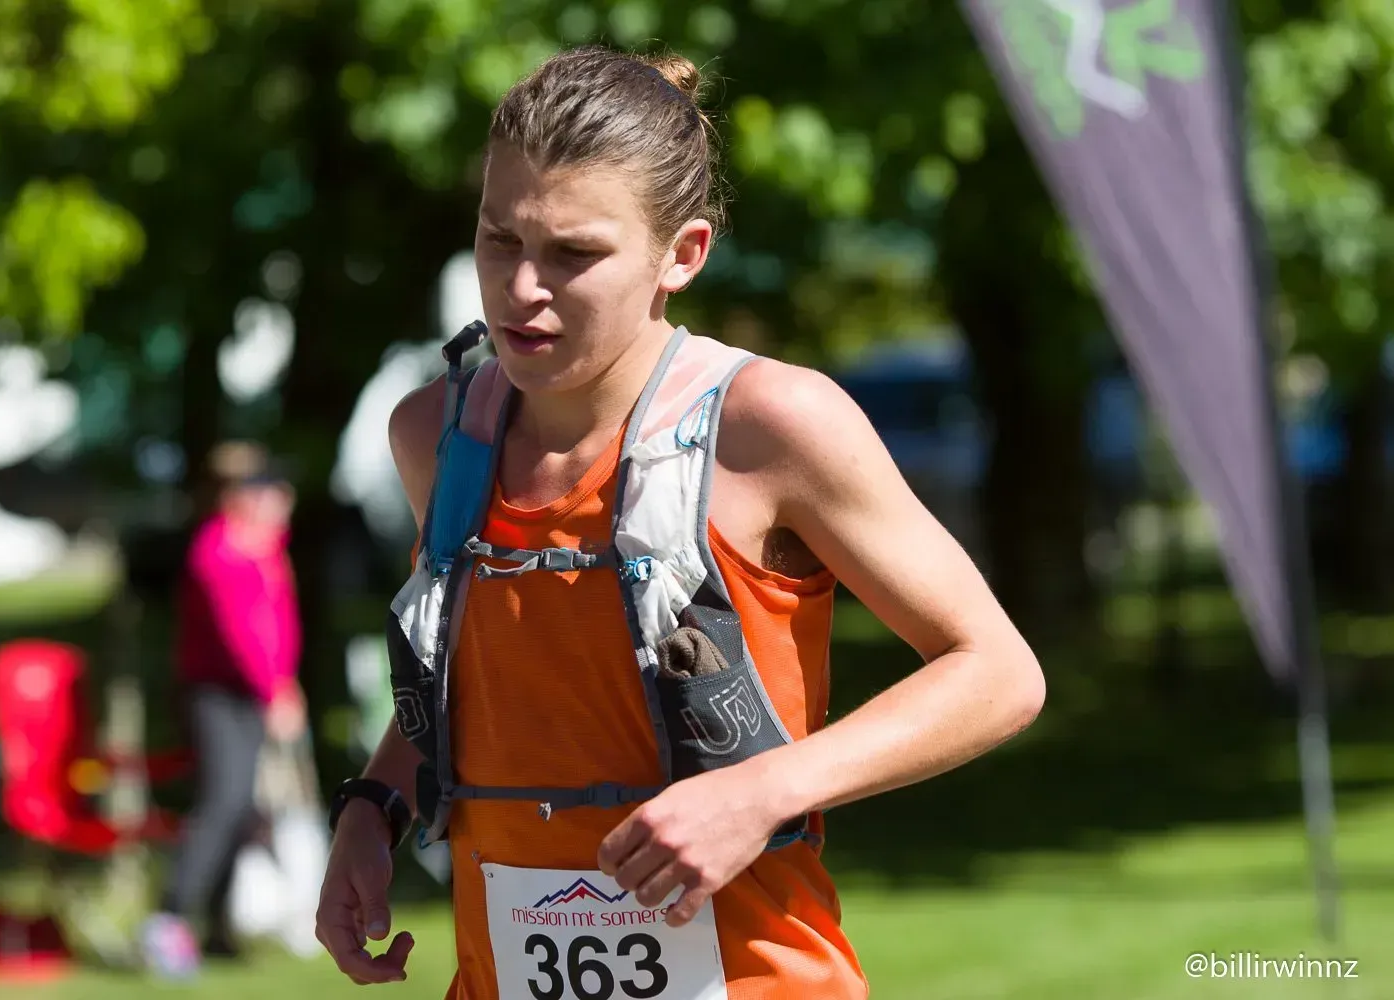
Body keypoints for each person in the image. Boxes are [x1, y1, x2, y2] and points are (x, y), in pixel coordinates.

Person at [316, 45, 1046, 998]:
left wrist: (766, 789)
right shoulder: (436, 434)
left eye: (574, 253)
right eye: (501, 239)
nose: (524, 287)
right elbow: (471, 687)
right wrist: (372, 809)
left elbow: (998, 673)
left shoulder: (770, 425)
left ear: (683, 255)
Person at [142, 442, 307, 978]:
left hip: (254, 694)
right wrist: (275, 689)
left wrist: (283, 683)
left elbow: (279, 623)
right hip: (215, 693)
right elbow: (240, 633)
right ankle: (168, 919)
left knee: (241, 810)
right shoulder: (217, 551)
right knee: (223, 800)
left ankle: (219, 926)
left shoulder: (265, 549)